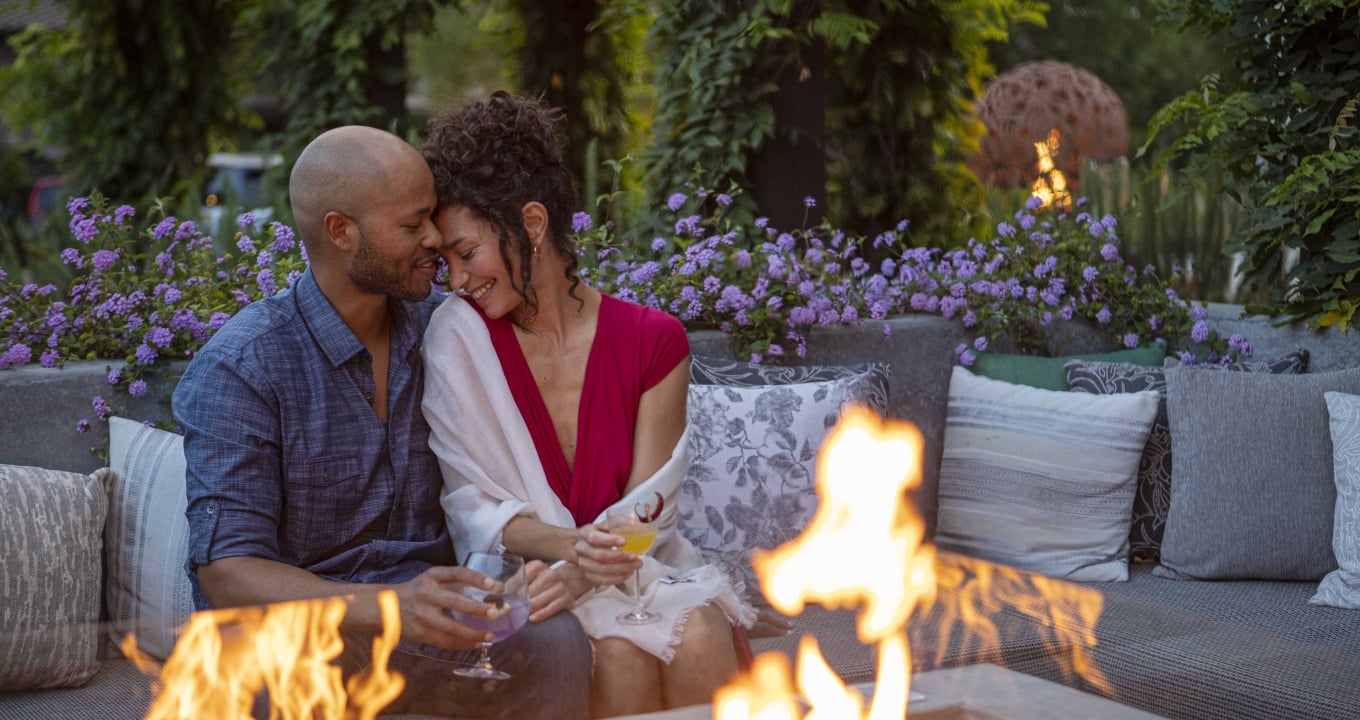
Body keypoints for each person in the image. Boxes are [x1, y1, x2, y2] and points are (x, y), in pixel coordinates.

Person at [173, 124, 592, 720]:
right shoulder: (243, 368)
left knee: (555, 645)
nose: (434, 238)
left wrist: (534, 569)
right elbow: (228, 573)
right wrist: (388, 603)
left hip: (430, 625)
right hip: (304, 633)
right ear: (341, 232)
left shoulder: (447, 329)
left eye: (433, 219)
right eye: (411, 224)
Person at [418, 91, 754, 718]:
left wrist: (587, 571)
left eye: (467, 254)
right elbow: (472, 505)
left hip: (640, 567)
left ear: (533, 224)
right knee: (620, 655)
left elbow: (650, 510)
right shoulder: (457, 339)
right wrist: (569, 557)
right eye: (446, 263)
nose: (458, 280)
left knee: (701, 635)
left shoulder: (654, 341)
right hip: (529, 579)